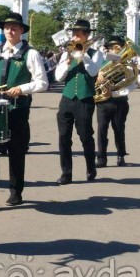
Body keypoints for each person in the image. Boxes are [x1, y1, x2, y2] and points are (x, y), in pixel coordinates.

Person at [0, 13, 48, 210]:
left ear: (22, 30)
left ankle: (16, 192)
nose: (10, 30)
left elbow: (42, 82)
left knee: (16, 152)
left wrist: (22, 89)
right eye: (7, 27)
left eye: (14, 27)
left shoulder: (30, 53)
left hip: (18, 109)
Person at [54, 19, 104, 185]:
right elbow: (58, 77)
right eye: (73, 34)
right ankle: (66, 173)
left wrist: (83, 56)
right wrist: (67, 62)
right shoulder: (66, 53)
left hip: (84, 99)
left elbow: (92, 72)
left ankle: (91, 167)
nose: (74, 37)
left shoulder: (96, 54)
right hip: (67, 99)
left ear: (87, 36)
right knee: (63, 137)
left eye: (78, 34)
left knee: (85, 137)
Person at [95, 36, 136, 168]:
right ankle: (101, 158)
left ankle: (121, 156)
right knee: (101, 130)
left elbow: (131, 85)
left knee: (119, 130)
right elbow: (91, 76)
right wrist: (97, 75)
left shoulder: (128, 66)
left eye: (118, 48)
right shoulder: (100, 63)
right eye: (112, 48)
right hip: (102, 103)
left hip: (120, 102)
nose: (114, 51)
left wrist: (113, 93)